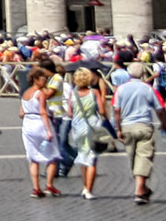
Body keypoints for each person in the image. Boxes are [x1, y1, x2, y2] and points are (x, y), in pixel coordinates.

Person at [113, 60, 163, 205]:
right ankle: (141, 190)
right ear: (143, 73)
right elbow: (160, 108)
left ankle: (140, 189)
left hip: (127, 126)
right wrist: (164, 123)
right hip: (144, 125)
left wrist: (118, 128)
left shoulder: (120, 89)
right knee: (143, 157)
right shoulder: (148, 88)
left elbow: (116, 110)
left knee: (133, 158)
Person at [20, 65, 63, 197]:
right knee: (53, 156)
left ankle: (36, 188)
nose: (46, 81)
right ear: (36, 79)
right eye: (43, 78)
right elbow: (43, 112)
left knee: (33, 158)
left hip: (27, 124)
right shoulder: (40, 93)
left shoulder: (25, 93)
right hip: (40, 123)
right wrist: (49, 131)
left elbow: (21, 113)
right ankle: (49, 185)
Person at [65, 67, 106, 199]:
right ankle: (89, 189)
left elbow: (70, 113)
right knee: (92, 159)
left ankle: (84, 186)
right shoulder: (94, 93)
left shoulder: (73, 93)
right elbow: (102, 111)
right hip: (92, 127)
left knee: (83, 156)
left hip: (77, 128)